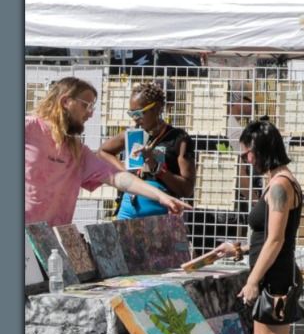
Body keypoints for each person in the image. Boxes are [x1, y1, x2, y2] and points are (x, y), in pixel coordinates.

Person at [26, 77, 189, 225]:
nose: (90, 113)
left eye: (92, 107)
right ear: (65, 102)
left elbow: (119, 178)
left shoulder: (77, 152)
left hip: (51, 241)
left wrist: (161, 196)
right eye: (86, 105)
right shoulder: (29, 128)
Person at [236, 119, 304, 334]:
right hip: (272, 273)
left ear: (261, 150)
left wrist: (254, 279)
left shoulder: (280, 185)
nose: (245, 159)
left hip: (275, 276)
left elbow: (276, 238)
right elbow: (267, 235)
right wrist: (240, 249)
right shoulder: (276, 182)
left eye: (247, 152)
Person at [100, 81, 197, 219]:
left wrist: (156, 167)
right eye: (131, 114)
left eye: (139, 113)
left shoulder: (178, 139)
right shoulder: (132, 135)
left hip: (160, 216)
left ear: (156, 108)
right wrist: (123, 170)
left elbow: (186, 189)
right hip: (128, 211)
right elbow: (102, 152)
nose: (135, 119)